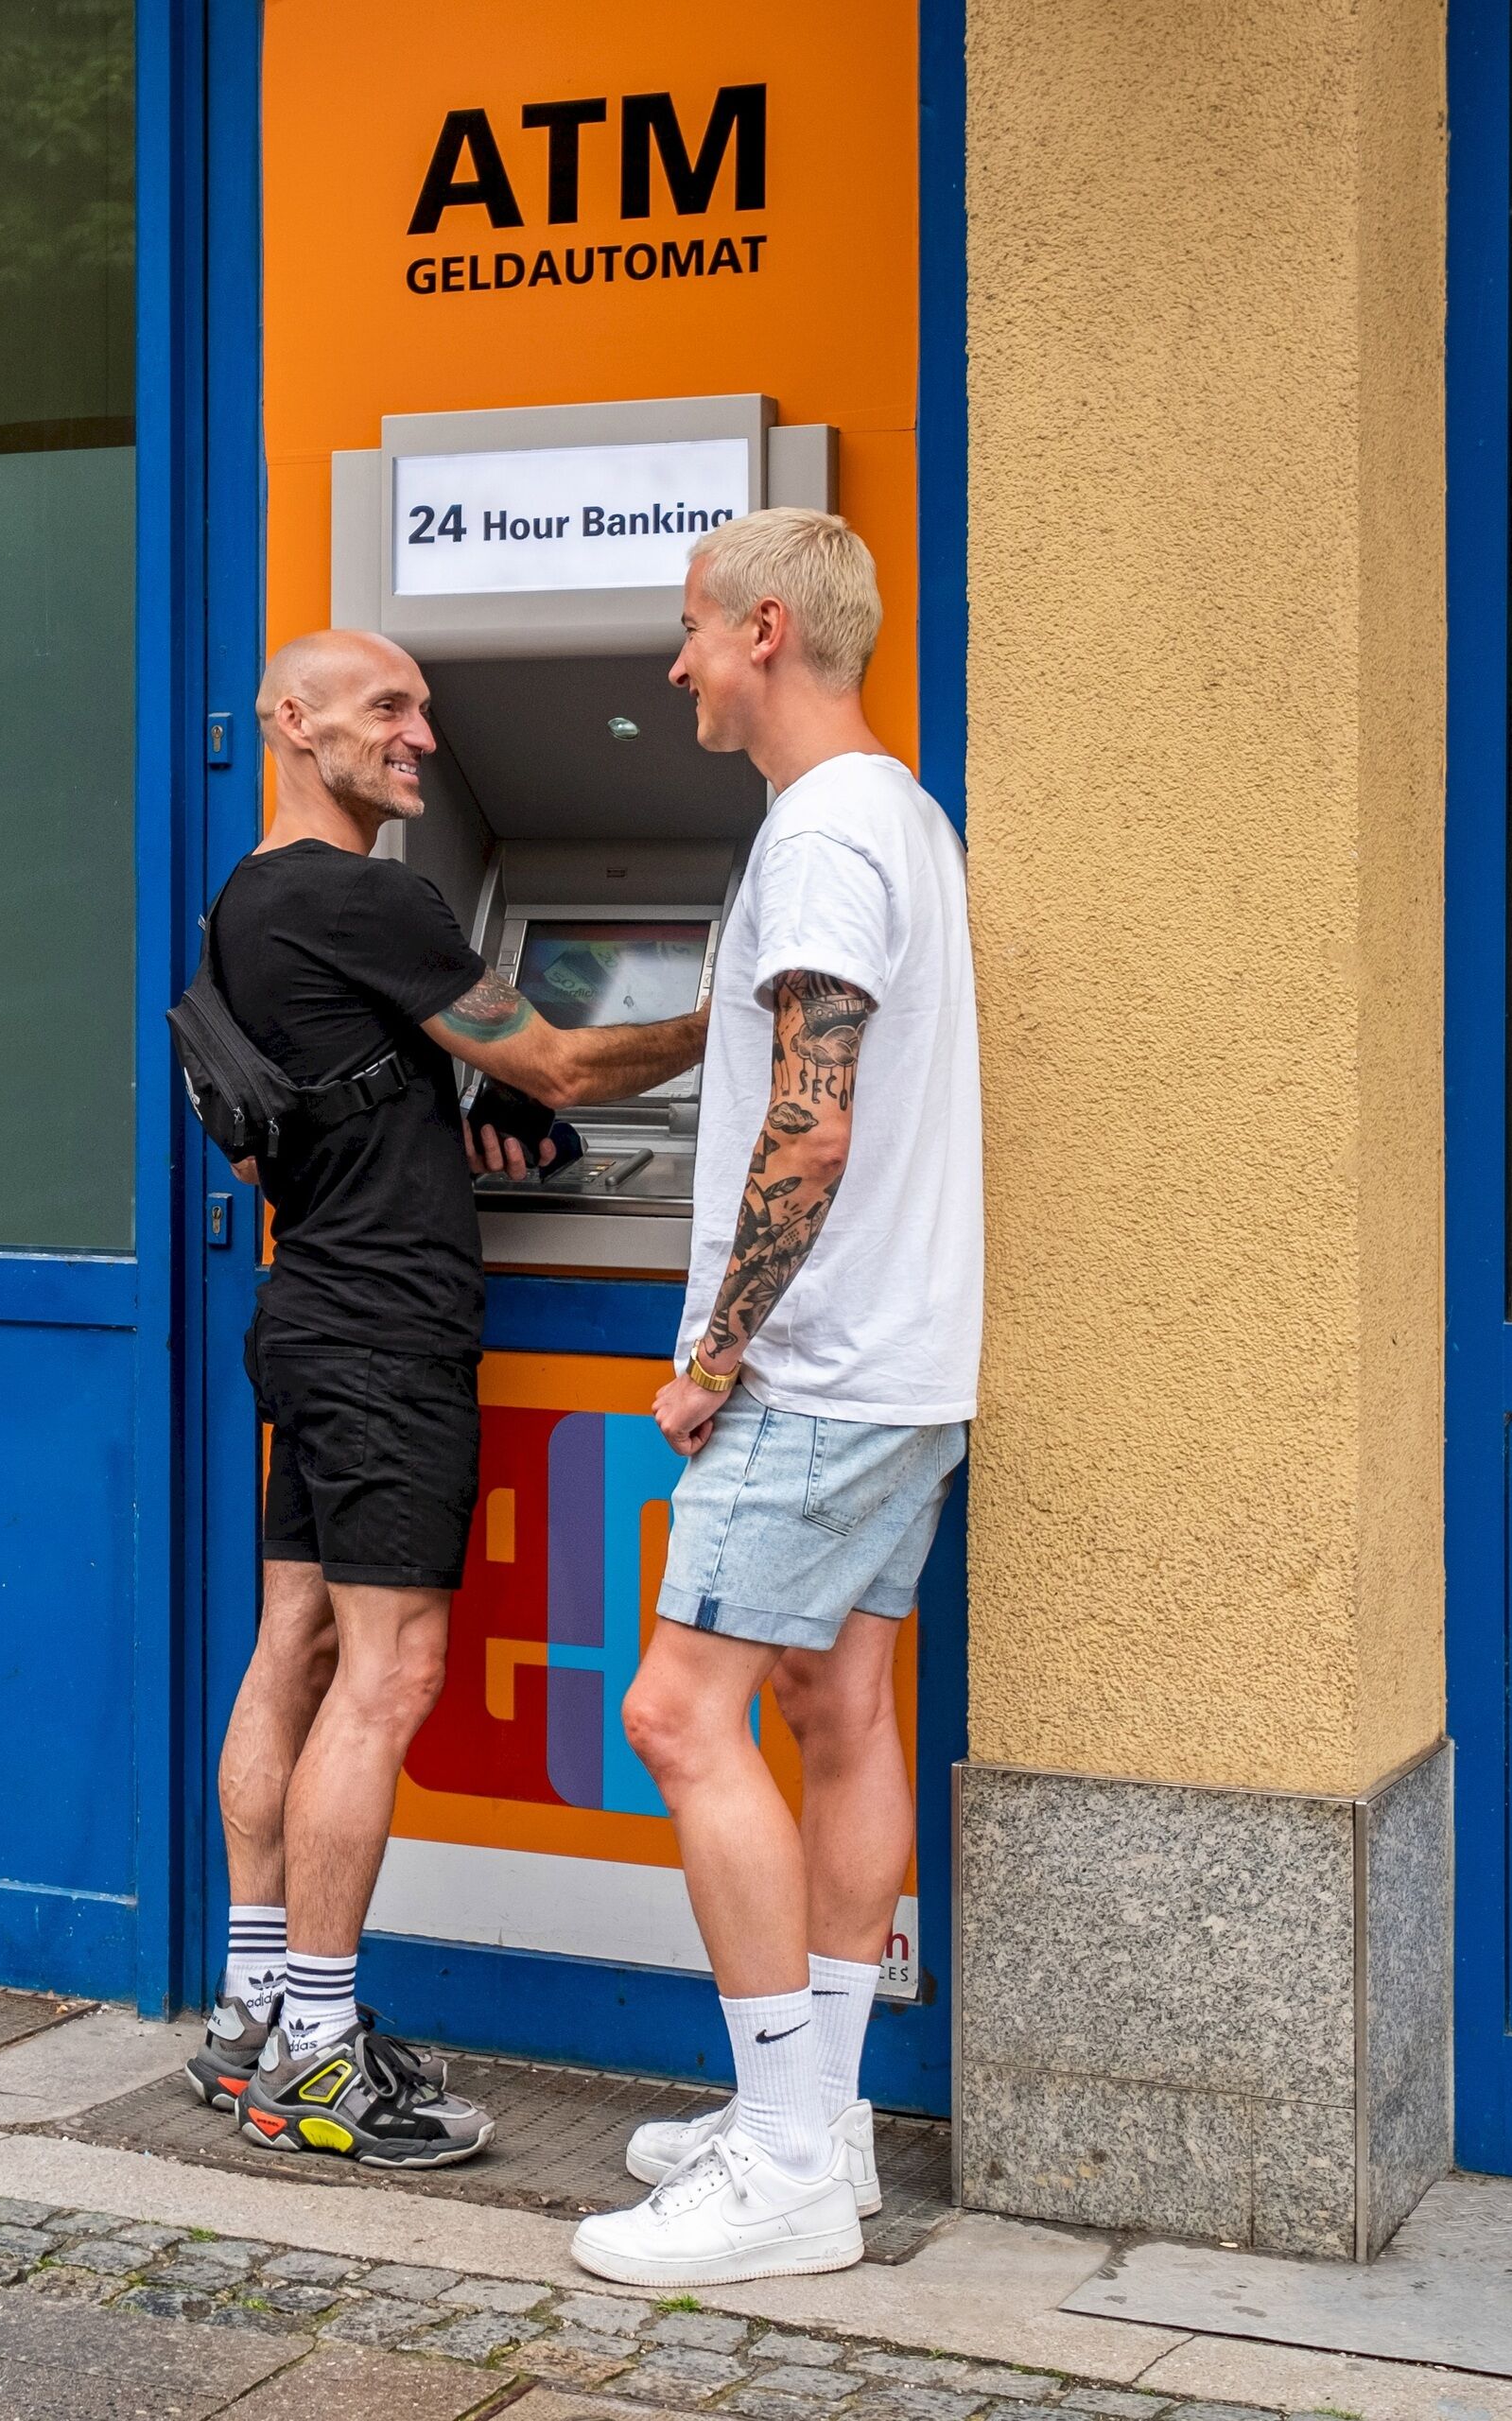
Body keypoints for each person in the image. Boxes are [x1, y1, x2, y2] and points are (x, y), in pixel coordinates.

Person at [189, 627, 709, 2168]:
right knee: (393, 1676)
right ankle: (328, 2054)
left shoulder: (244, 905)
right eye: (388, 709)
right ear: (293, 721)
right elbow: (556, 1062)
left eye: (424, 709)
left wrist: (438, 1125)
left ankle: (251, 2011)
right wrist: (735, 1011)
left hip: (307, 1307)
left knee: (293, 1643)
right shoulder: (368, 893)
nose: (422, 737)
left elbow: (290, 1120)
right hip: (389, 1333)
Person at [568, 511, 982, 2286]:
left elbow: (808, 1121)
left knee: (679, 1713)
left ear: (761, 630)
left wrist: (716, 1351)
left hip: (811, 1365)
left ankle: (793, 2164)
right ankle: (827, 2116)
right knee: (844, 1713)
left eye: (685, 633)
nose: (674, 669)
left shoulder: (818, 835)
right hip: (906, 1356)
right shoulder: (901, 812)